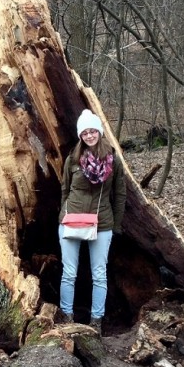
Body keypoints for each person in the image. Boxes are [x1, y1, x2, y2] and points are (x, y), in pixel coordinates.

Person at [58, 109, 127, 333]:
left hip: (102, 223)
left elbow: (120, 194)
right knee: (69, 272)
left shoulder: (112, 159)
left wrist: (116, 225)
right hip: (71, 221)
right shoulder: (73, 158)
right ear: (81, 135)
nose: (89, 136)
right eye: (85, 132)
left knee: (99, 274)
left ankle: (96, 321)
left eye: (92, 131)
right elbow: (65, 189)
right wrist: (63, 215)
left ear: (99, 131)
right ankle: (66, 317)